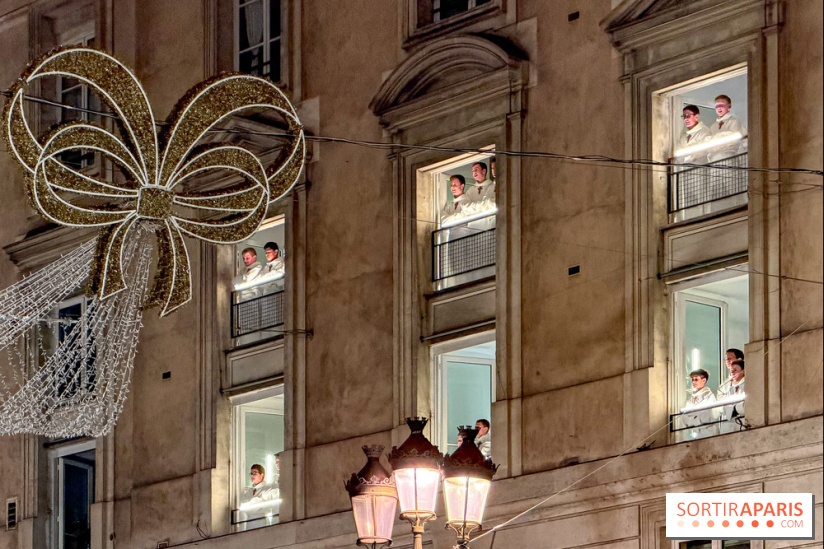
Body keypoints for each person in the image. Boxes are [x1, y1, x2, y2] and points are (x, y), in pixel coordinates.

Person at [708, 94, 747, 162]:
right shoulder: (713, 126)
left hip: (728, 157)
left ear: (729, 106)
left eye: (722, 105)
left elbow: (734, 139)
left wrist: (717, 141)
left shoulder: (734, 121)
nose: (719, 108)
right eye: (717, 106)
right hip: (714, 159)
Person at [681, 369, 718, 439]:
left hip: (708, 432)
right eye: (692, 380)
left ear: (704, 380)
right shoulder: (691, 397)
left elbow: (710, 416)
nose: (693, 382)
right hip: (694, 433)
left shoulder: (709, 396)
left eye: (696, 379)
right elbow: (685, 417)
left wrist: (694, 420)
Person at [717, 359, 746, 434]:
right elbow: (720, 405)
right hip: (728, 423)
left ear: (743, 371)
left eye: (735, 370)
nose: (732, 372)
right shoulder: (726, 386)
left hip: (743, 422)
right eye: (731, 370)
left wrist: (735, 408)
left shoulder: (748, 385)